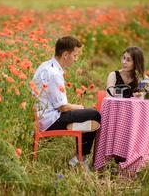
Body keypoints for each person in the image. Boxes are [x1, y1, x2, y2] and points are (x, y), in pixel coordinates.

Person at [32, 36, 101, 169]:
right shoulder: (54, 74)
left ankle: (79, 152)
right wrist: (80, 107)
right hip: (50, 120)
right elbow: (63, 107)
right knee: (94, 115)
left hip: (44, 116)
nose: (76, 59)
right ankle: (80, 159)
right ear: (65, 55)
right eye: (75, 55)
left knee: (84, 115)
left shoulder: (46, 65)